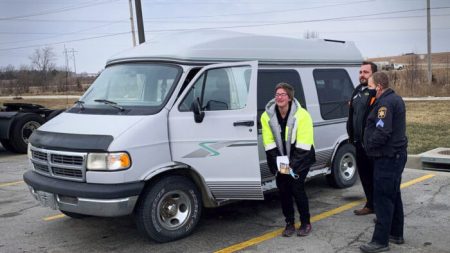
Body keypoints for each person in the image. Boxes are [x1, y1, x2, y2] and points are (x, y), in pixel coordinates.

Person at [360, 72, 408, 253]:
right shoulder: (391, 99)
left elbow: (382, 132)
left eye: (370, 87)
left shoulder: (386, 103)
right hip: (393, 156)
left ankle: (380, 241)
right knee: (393, 194)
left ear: (379, 87)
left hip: (388, 157)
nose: (369, 90)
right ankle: (395, 233)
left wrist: (368, 146)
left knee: (382, 199)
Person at [260, 83, 316, 237]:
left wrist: (292, 167)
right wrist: (280, 165)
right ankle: (289, 223)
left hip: (301, 156)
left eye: (283, 94)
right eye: (277, 94)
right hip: (281, 157)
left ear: (290, 98)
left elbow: (304, 145)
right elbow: (269, 143)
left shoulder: (302, 115)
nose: (279, 97)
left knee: (296, 188)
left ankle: (306, 223)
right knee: (284, 189)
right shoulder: (267, 115)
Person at [347, 61, 377, 216]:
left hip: (371, 144)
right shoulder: (358, 90)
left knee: (375, 177)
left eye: (365, 72)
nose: (362, 75)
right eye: (360, 72)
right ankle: (370, 204)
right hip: (358, 143)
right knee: (364, 175)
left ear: (374, 74)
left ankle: (380, 209)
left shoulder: (376, 92)